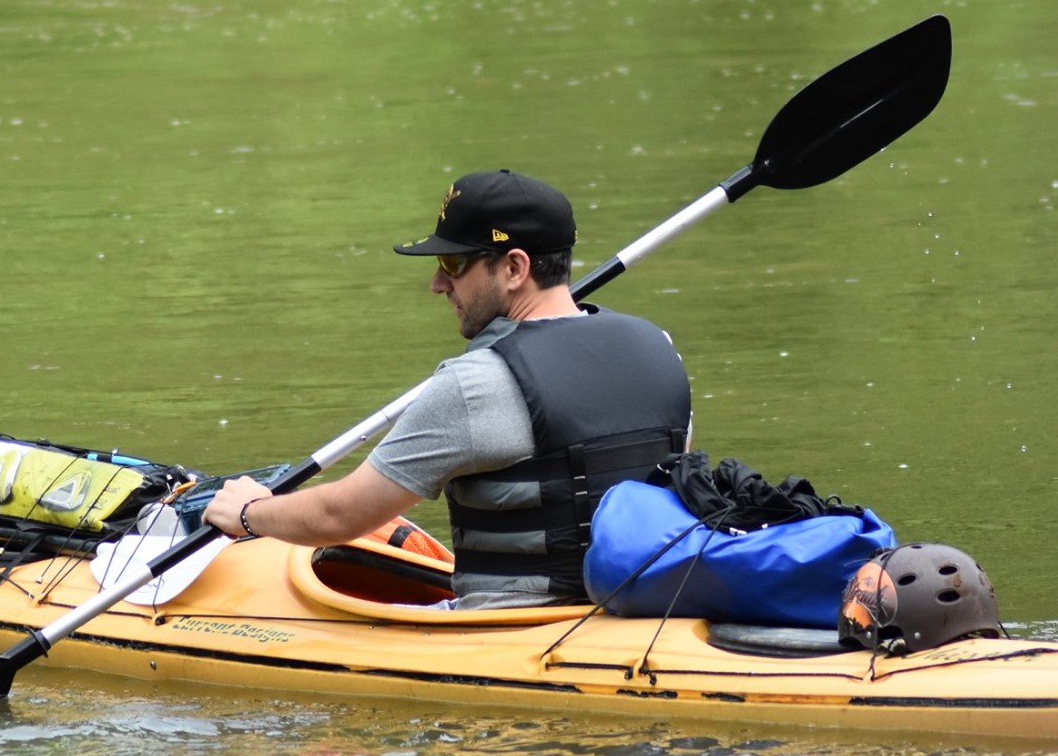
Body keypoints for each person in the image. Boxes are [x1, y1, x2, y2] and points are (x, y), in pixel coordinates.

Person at [204, 169, 692, 608]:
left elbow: (340, 516)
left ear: (515, 268)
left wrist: (250, 511)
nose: (438, 284)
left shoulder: (475, 383)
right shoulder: (660, 348)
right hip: (647, 612)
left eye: (454, 264)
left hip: (508, 632)